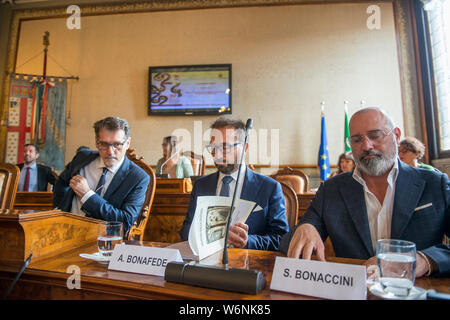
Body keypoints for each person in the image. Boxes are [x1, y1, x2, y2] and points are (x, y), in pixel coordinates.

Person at [280, 107, 450, 277]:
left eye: (375, 136)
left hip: (416, 289)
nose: (366, 146)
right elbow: (287, 244)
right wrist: (305, 227)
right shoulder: (331, 189)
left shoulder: (435, 184)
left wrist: (424, 261)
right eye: (356, 139)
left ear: (397, 136)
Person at [179, 118, 289, 251]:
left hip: (248, 265)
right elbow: (185, 231)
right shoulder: (201, 185)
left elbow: (280, 239)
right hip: (206, 264)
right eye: (213, 148)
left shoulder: (269, 188)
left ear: (244, 148)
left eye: (225, 148)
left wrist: (249, 241)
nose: (217, 155)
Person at [53, 116, 150, 232]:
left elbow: (125, 222)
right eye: (104, 144)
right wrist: (59, 211)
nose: (110, 152)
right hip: (65, 231)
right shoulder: (82, 157)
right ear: (96, 142)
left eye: (117, 145)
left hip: (102, 241)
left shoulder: (138, 177)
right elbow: (61, 182)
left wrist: (87, 195)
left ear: (127, 143)